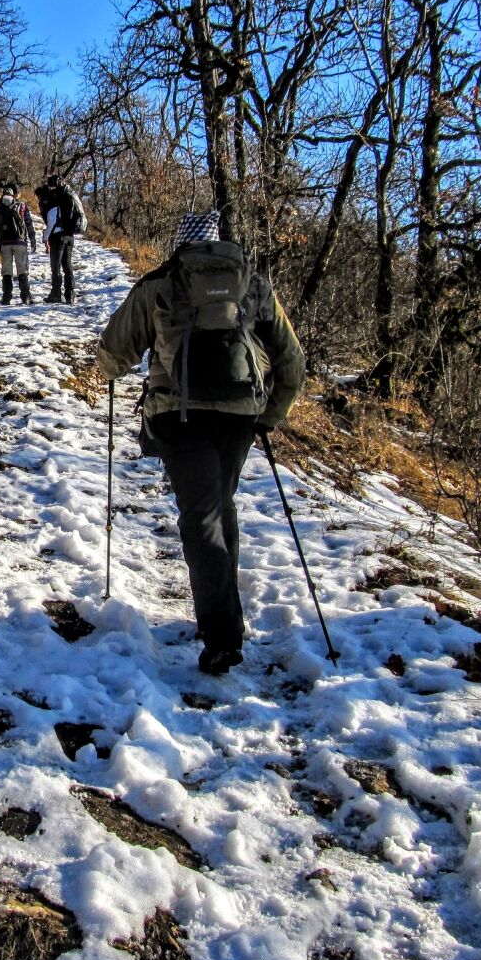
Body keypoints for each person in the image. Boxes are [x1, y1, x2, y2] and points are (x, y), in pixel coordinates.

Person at [96, 211, 305, 675]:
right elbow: (291, 360)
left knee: (202, 516)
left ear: (182, 245)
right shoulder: (252, 283)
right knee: (218, 505)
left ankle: (222, 637)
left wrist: (109, 369)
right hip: (238, 415)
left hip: (180, 415)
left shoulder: (161, 283)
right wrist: (269, 415)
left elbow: (113, 353)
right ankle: (225, 616)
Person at [39, 174, 85, 304]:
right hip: (69, 236)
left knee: (56, 266)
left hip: (58, 237)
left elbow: (52, 222)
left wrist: (45, 238)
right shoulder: (68, 197)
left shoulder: (56, 200)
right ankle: (70, 293)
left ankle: (55, 294)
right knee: (67, 265)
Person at [0, 182, 33, 305]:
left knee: (6, 270)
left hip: (4, 243)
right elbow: (28, 223)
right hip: (20, 242)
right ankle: (26, 297)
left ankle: (6, 297)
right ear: (15, 194)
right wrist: (32, 239)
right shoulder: (22, 206)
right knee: (22, 270)